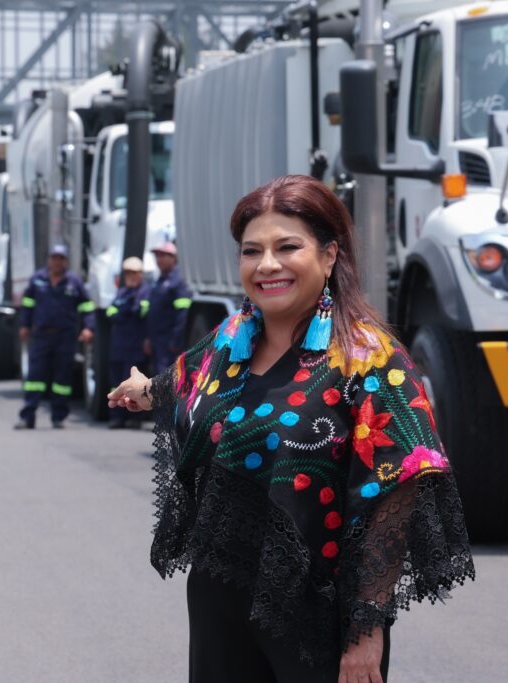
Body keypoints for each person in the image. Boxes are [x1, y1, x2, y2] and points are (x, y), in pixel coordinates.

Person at [108, 175, 474, 682]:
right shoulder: (228, 343)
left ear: (328, 256)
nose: (267, 265)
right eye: (251, 251)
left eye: (287, 247)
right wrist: (145, 389)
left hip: (316, 615)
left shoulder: (370, 359)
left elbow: (398, 488)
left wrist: (366, 632)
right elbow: (186, 385)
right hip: (219, 601)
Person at [15, 245, 95, 430]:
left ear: (65, 261)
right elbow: (28, 304)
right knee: (34, 377)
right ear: (48, 260)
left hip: (65, 337)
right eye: (54, 258)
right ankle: (28, 417)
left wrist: (89, 328)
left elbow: (87, 306)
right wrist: (24, 325)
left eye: (61, 258)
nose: (57, 262)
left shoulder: (74, 282)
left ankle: (58, 417)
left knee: (62, 380)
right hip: (41, 336)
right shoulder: (37, 280)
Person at [107, 256, 151, 429]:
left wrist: (123, 311)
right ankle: (117, 417)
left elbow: (141, 311)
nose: (131, 276)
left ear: (141, 274)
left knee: (134, 383)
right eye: (128, 273)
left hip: (135, 346)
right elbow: (111, 313)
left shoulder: (146, 292)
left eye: (134, 273)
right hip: (118, 345)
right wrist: (125, 310)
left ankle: (135, 418)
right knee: (116, 381)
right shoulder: (122, 292)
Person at [144, 241, 192, 375]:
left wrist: (175, 341)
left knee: (167, 378)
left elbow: (182, 314)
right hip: (156, 341)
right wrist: (148, 338)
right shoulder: (158, 281)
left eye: (163, 256)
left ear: (173, 258)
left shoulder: (178, 282)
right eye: (157, 256)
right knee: (157, 376)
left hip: (168, 342)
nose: (159, 260)